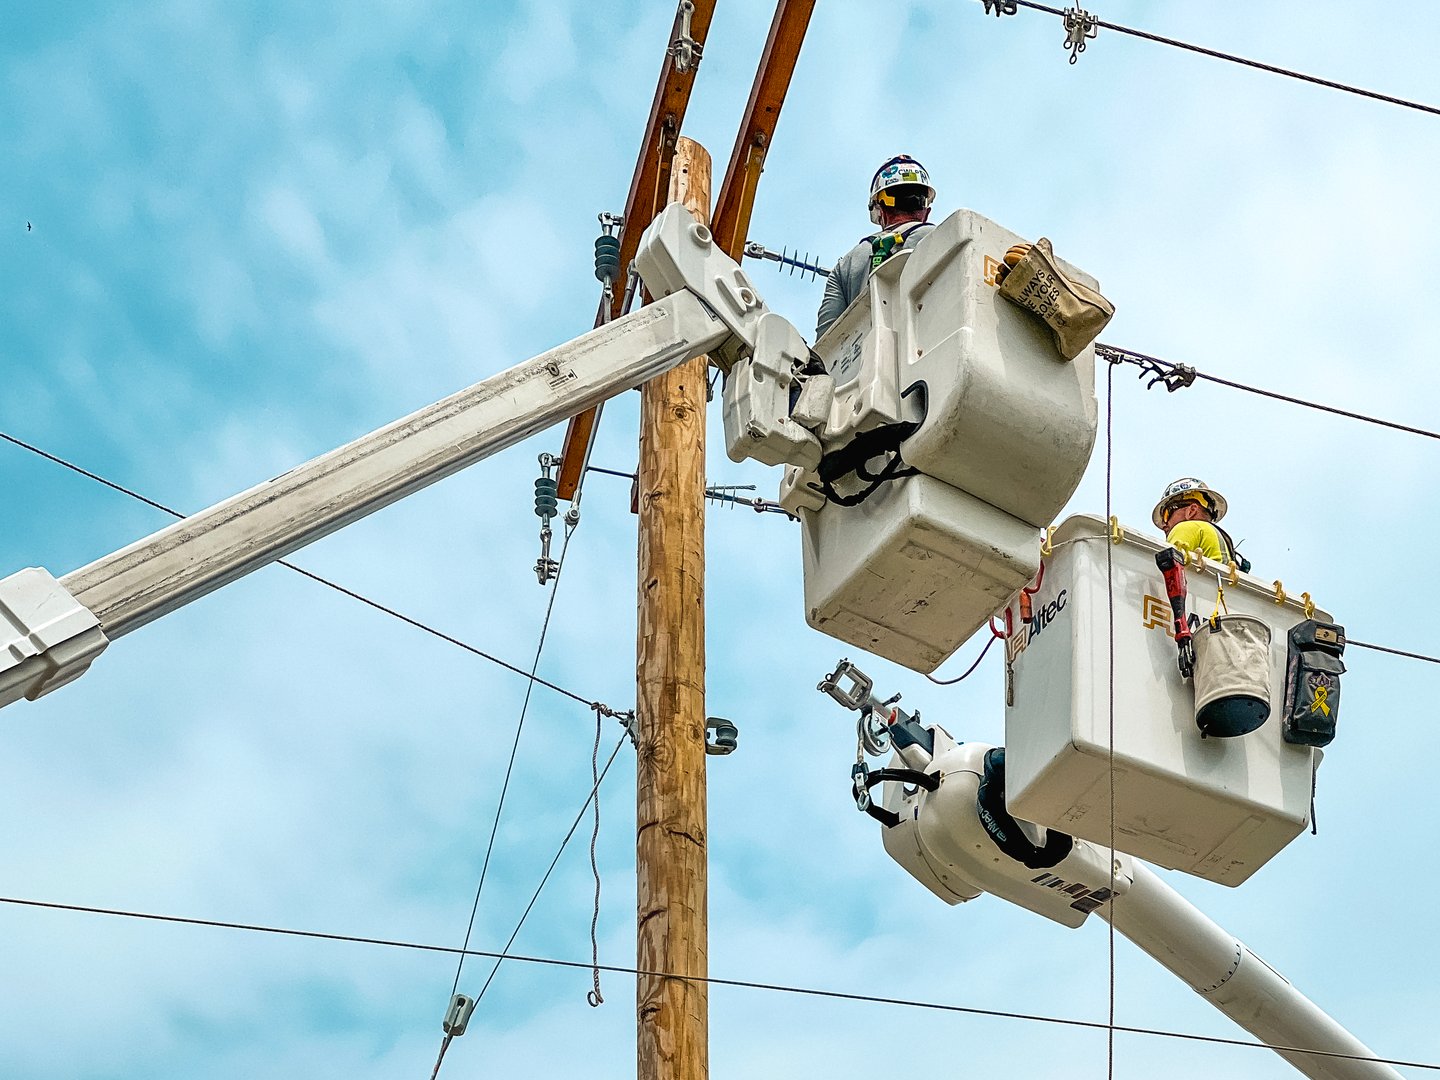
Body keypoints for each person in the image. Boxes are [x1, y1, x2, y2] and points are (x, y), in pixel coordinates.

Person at [815, 154, 937, 340]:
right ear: (925, 212)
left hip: (866, 365)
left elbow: (826, 343)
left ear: (880, 210)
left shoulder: (845, 267)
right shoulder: (941, 236)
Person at [1152, 477, 1249, 571]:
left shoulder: (1186, 527)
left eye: (1166, 515)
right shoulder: (1215, 536)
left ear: (1191, 511)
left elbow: (1165, 570)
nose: (1164, 525)